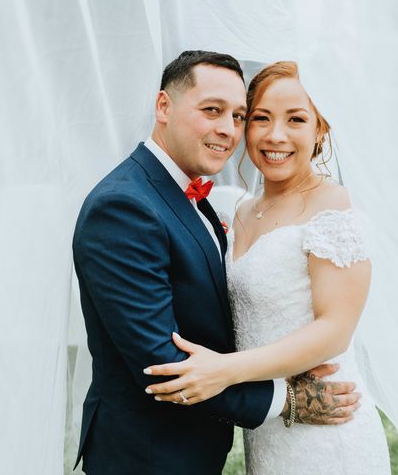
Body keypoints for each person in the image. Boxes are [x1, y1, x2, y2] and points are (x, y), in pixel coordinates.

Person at [72, 52, 362, 474]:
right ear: (163, 107)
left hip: (204, 444)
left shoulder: (192, 197)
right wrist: (289, 399)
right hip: (147, 455)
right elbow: (162, 365)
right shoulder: (123, 206)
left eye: (239, 115)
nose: (228, 129)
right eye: (212, 110)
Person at [144, 61, 391, 474]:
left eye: (296, 119)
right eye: (260, 118)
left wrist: (223, 370)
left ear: (320, 130)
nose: (276, 135)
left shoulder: (333, 208)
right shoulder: (240, 209)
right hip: (270, 430)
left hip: (327, 430)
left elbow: (334, 330)